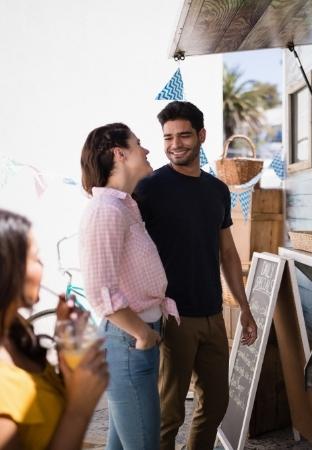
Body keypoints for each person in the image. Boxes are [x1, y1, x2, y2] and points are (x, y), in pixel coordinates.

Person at [134, 101, 258, 450]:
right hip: (172, 316)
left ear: (201, 136)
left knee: (216, 402)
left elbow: (229, 254)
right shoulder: (149, 188)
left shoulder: (216, 190)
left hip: (212, 313)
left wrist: (244, 307)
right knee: (169, 413)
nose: (175, 144)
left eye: (184, 135)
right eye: (168, 137)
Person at [79, 123, 180, 450]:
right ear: (119, 154)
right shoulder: (106, 211)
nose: (148, 150)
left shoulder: (123, 207)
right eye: (139, 144)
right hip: (127, 342)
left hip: (135, 339)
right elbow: (100, 291)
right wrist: (141, 333)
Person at [0, 209, 108, 450]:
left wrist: (66, 338)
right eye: (35, 258)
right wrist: (79, 409)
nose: (42, 265)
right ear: (8, 270)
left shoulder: (17, 331)